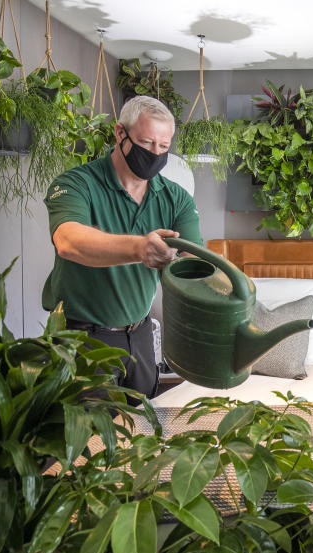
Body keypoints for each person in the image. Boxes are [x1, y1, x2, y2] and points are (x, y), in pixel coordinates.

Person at [41, 96, 203, 402]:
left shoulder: (176, 198)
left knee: (142, 438)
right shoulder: (77, 184)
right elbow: (68, 241)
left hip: (140, 338)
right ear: (120, 134)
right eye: (146, 143)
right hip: (81, 339)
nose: (155, 154)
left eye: (164, 147)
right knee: (87, 442)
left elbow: (193, 261)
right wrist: (140, 247)